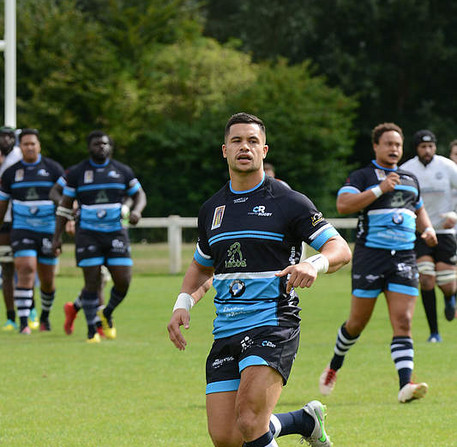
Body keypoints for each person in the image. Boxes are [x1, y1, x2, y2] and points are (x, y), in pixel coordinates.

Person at [167, 112, 352, 447]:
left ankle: (298, 421)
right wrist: (183, 303)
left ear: (264, 150)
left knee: (251, 420)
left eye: (252, 141)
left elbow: (340, 248)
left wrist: (315, 264)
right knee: (226, 436)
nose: (244, 147)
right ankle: (302, 420)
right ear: (224, 150)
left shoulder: (287, 201)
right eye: (237, 140)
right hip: (226, 328)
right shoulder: (212, 209)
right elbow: (202, 266)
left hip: (272, 323)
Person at [319, 122, 437, 403]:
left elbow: (418, 208)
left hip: (405, 257)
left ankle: (405, 385)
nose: (394, 149)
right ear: (376, 146)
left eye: (398, 144)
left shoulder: (410, 178)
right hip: (370, 257)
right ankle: (335, 365)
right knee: (357, 323)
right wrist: (379, 189)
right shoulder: (362, 176)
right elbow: (343, 205)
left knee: (404, 321)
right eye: (388, 144)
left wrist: (428, 229)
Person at [51, 131, 146, 343]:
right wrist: (57, 237)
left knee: (123, 281)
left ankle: (107, 312)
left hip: (115, 232)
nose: (100, 147)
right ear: (89, 147)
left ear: (110, 147)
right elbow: (64, 205)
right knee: (92, 282)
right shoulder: (77, 172)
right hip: (88, 234)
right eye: (96, 144)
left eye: (104, 144)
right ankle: (91, 331)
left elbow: (139, 194)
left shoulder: (122, 171)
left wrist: (137, 211)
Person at [0, 128, 64, 334]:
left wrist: (66, 225)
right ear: (20, 147)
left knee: (47, 281)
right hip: (22, 229)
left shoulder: (53, 169)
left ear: (39, 146)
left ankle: (44, 315)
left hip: (48, 230)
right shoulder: (11, 173)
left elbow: (66, 199)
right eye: (25, 144)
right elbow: (2, 203)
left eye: (32, 143)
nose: (29, 147)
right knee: (25, 269)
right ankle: (24, 322)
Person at [400, 130, 457, 343]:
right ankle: (434, 332)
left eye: (431, 146)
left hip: (445, 231)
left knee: (448, 283)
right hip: (419, 232)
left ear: (435, 147)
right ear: (417, 149)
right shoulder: (406, 170)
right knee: (425, 279)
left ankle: (451, 297)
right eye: (423, 147)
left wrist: (455, 215)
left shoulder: (448, 167)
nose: (427, 150)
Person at [0, 126, 23, 331]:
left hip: (22, 221)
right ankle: (10, 317)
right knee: (6, 267)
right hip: (3, 222)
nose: (5, 140)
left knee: (25, 266)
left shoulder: (20, 158)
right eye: (2, 137)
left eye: (9, 136)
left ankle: (30, 310)